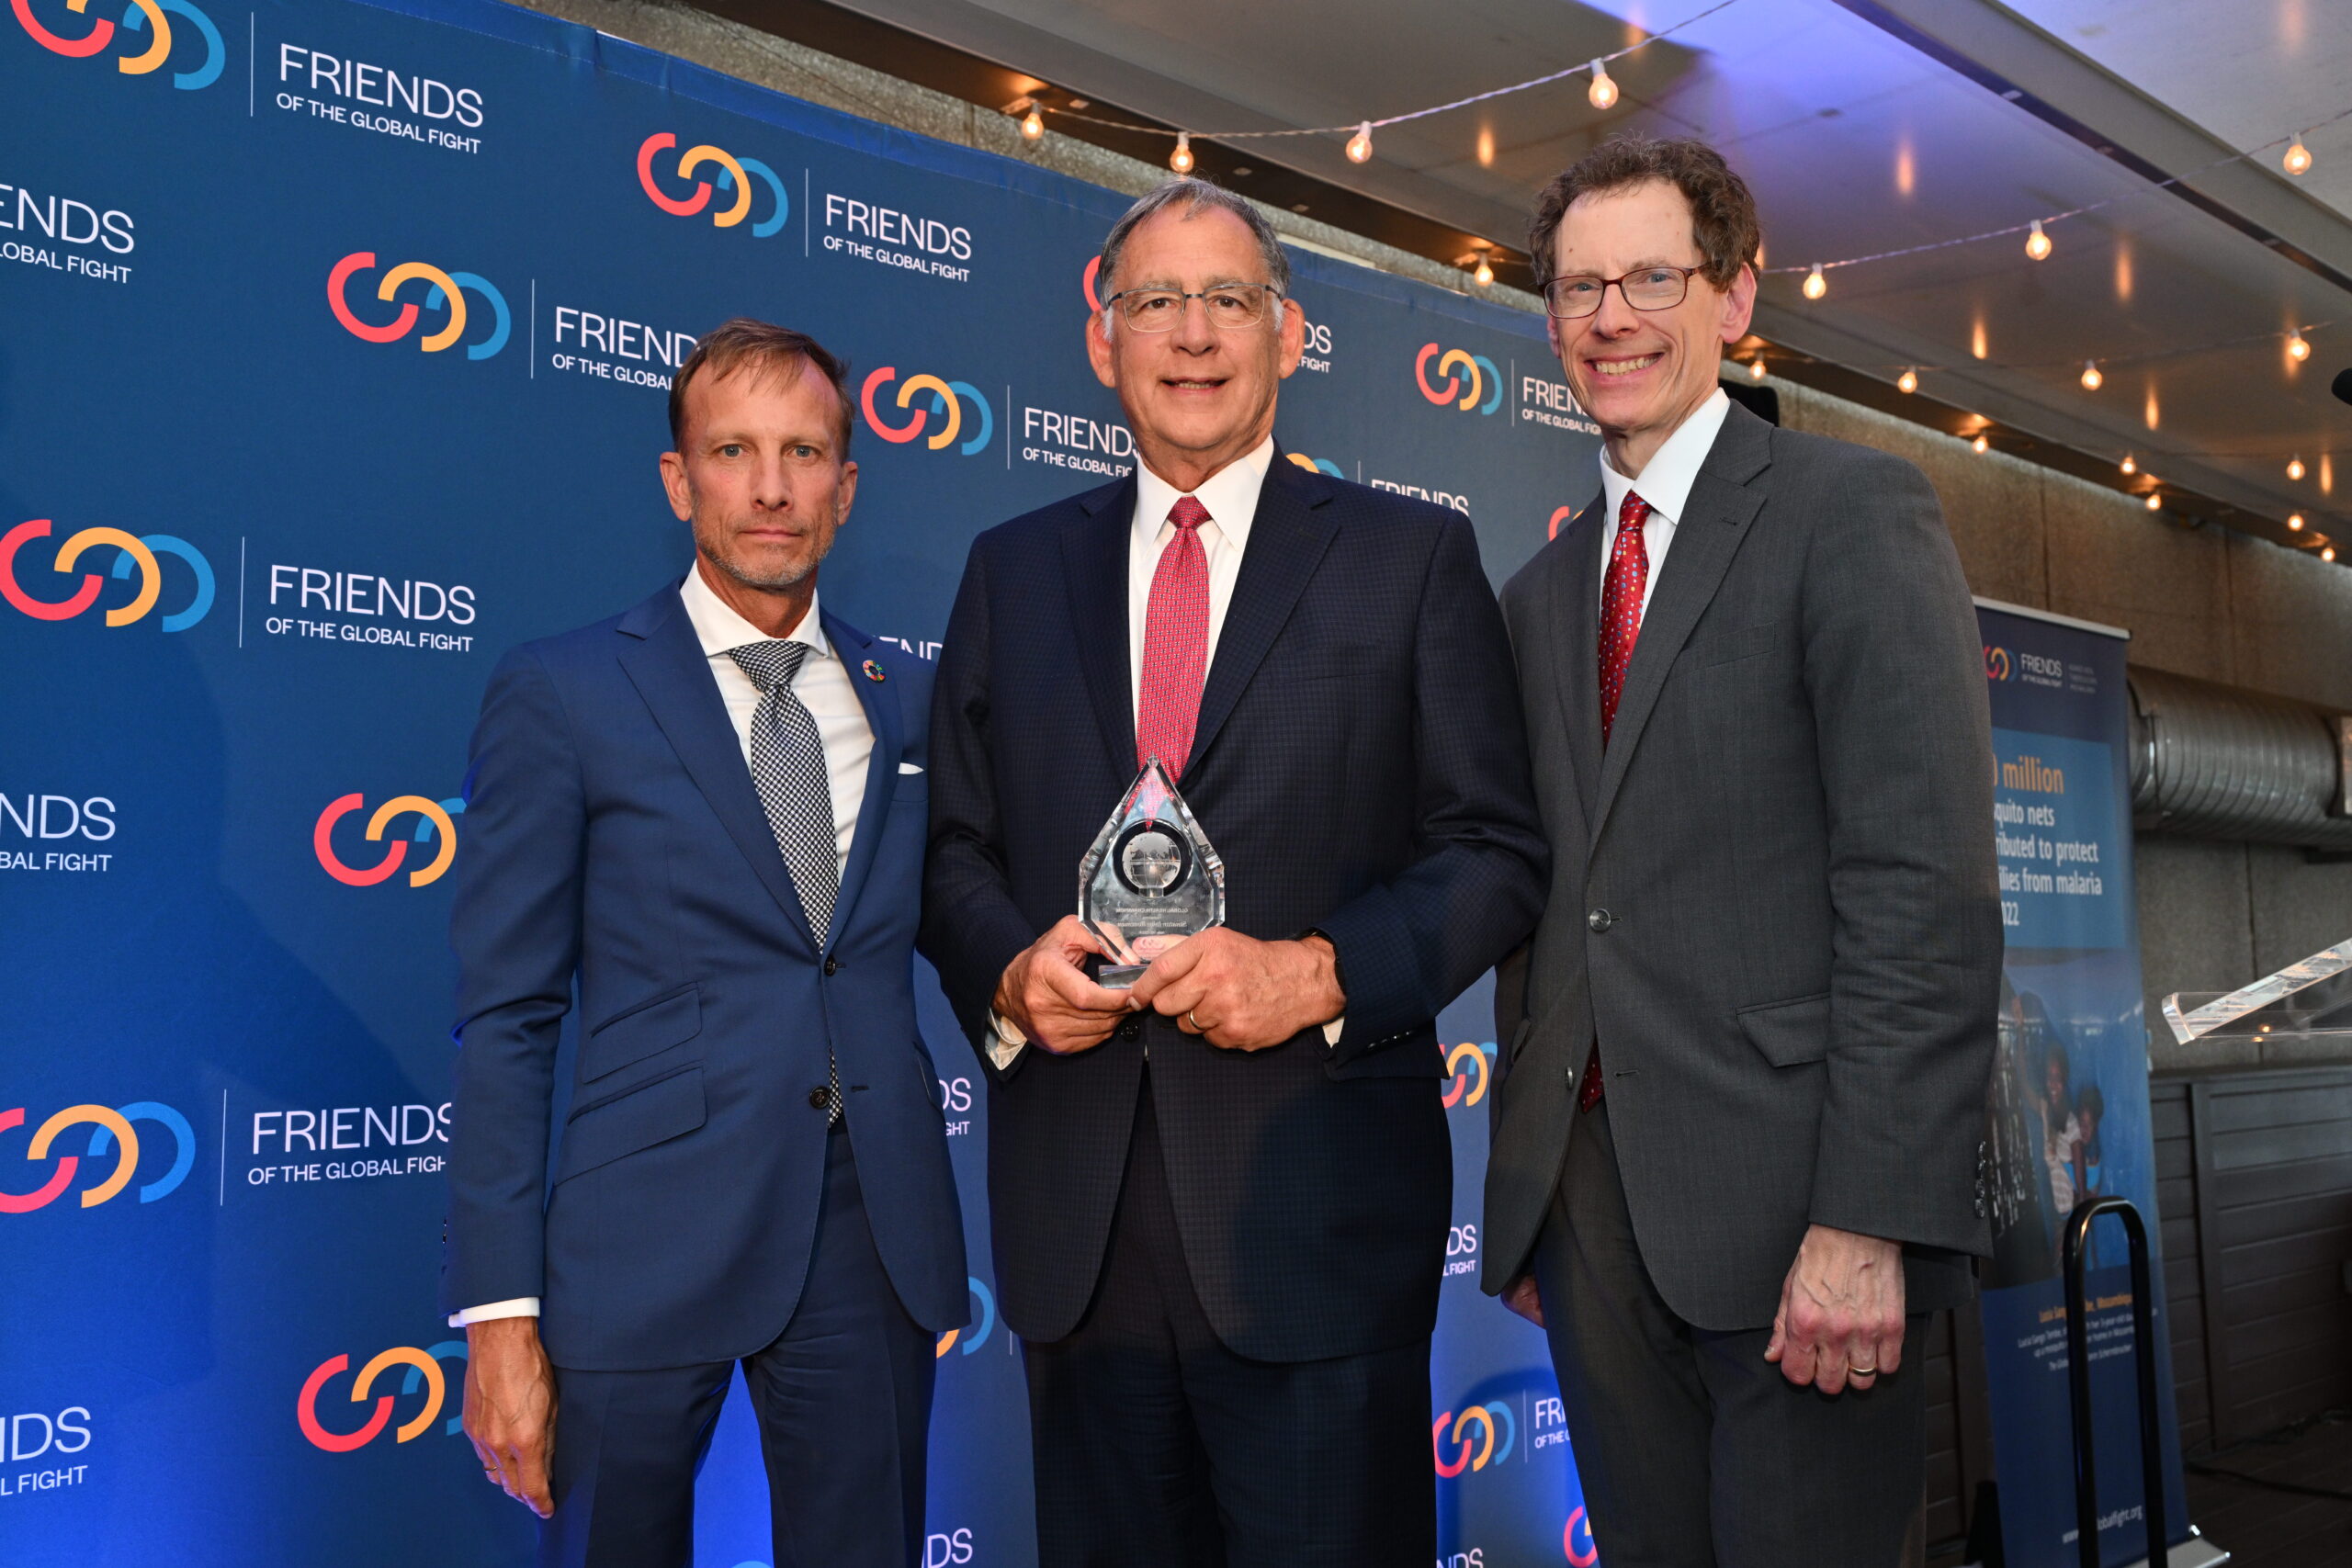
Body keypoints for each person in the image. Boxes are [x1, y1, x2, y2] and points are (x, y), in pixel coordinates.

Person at [922, 176, 1545, 1568]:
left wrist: (1318, 972)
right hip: (1077, 1238)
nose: (1193, 334)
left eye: (1228, 300)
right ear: (1103, 342)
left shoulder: (1410, 558)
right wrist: (1012, 973)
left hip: (1313, 1227)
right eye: (1156, 301)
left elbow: (1495, 853)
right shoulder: (1010, 572)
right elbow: (950, 849)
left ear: (1291, 333)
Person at [1480, 136, 2001, 1567]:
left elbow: (1925, 890)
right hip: (1592, 1228)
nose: (1612, 318)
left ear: (1735, 297)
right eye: (1578, 287)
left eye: (1653, 276)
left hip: (1800, 1233)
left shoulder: (1850, 514)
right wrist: (1531, 1202)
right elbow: (1552, 906)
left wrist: (1869, 1220)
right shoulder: (1534, 596)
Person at [441, 319, 967, 1568]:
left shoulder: (911, 696)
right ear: (680, 481)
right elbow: (508, 1016)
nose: (772, 487)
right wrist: (501, 1316)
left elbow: (958, 924)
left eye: (805, 452)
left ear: (846, 487)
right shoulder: (565, 691)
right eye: (733, 450)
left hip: (869, 1243)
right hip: (638, 1241)